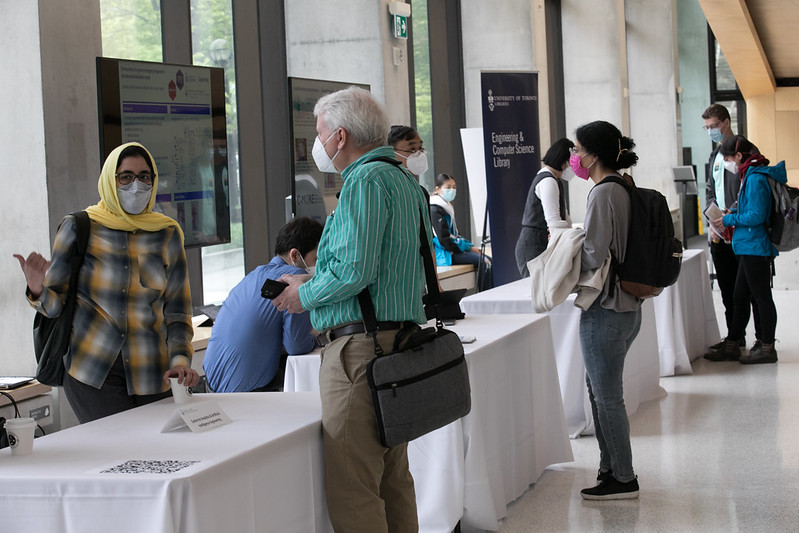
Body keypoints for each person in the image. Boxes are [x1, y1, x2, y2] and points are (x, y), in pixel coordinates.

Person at [271, 87, 428, 532]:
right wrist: (316, 279)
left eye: (319, 133)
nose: (317, 143)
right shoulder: (401, 178)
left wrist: (303, 294)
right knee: (392, 477)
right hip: (396, 340)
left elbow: (354, 270)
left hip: (359, 351)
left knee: (352, 485)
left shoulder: (363, 181)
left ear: (339, 136)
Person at [14, 142, 198, 423]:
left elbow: (177, 313)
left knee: (160, 457)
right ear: (110, 180)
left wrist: (181, 362)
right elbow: (55, 308)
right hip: (93, 371)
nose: (136, 185)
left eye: (144, 176)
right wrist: (38, 288)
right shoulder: (78, 226)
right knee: (117, 459)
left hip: (153, 371)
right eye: (126, 176)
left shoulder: (166, 233)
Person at [570, 121, 642, 500]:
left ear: (594, 155)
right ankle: (610, 467)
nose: (575, 158)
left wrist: (565, 253)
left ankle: (623, 477)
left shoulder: (602, 193)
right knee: (601, 390)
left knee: (606, 394)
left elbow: (595, 254)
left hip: (605, 307)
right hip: (629, 306)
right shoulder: (625, 185)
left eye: (578, 150)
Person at [202, 217, 323, 392]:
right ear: (295, 255)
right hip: (246, 396)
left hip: (210, 386)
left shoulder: (253, 276)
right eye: (316, 259)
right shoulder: (295, 278)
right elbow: (297, 345)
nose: (319, 266)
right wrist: (319, 336)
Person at [709, 135, 780, 364]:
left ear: (739, 156)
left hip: (755, 246)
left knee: (761, 297)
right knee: (740, 296)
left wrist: (730, 220)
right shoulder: (748, 174)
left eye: (729, 157)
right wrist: (733, 215)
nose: (728, 162)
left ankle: (768, 348)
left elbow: (757, 215)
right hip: (747, 245)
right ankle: (732, 343)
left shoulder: (756, 178)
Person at [702, 104, 761, 356]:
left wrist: (730, 216)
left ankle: (763, 340)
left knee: (753, 290)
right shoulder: (714, 155)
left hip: (743, 231)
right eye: (706, 128)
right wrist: (713, 221)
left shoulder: (746, 150)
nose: (711, 131)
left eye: (713, 126)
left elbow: (749, 189)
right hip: (720, 233)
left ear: (726, 122)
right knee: (728, 290)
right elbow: (710, 190)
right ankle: (735, 339)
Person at [515, 137, 575, 276]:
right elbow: (554, 221)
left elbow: (564, 217)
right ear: (564, 161)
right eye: (572, 162)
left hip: (541, 243)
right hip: (534, 245)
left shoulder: (554, 180)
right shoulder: (548, 181)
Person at [429, 172, 493, 290]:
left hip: (453, 251)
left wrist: (470, 247)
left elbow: (456, 235)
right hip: (445, 255)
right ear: (437, 189)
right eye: (448, 187)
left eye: (454, 187)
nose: (452, 190)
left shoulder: (446, 207)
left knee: (490, 260)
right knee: (484, 262)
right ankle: (484, 298)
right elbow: (444, 240)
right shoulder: (434, 209)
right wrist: (469, 248)